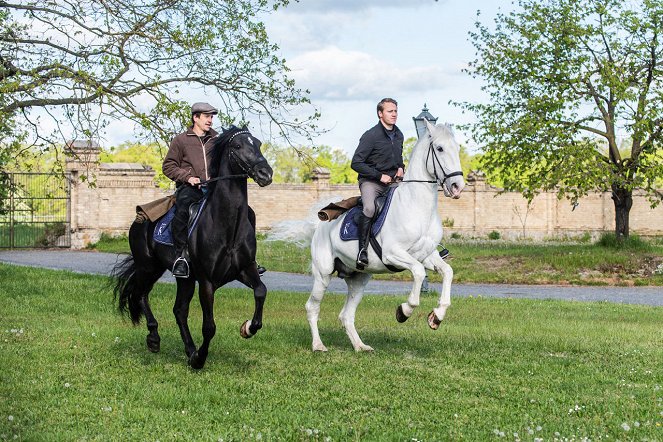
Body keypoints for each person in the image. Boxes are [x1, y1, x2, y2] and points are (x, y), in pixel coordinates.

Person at [162, 102, 219, 278]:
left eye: (211, 116)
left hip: (215, 188)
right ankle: (181, 257)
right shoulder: (181, 140)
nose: (210, 120)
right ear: (196, 117)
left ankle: (246, 258)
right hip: (190, 188)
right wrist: (188, 177)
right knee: (183, 210)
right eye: (206, 116)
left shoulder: (217, 140)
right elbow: (168, 166)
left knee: (241, 210)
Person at [351, 98, 405, 268]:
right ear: (380, 114)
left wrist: (401, 167)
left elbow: (398, 159)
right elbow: (356, 163)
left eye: (395, 111)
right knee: (369, 208)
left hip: (393, 183)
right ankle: (362, 251)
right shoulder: (371, 135)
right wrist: (379, 176)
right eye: (390, 111)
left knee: (410, 202)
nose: (394, 114)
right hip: (371, 182)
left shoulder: (399, 135)